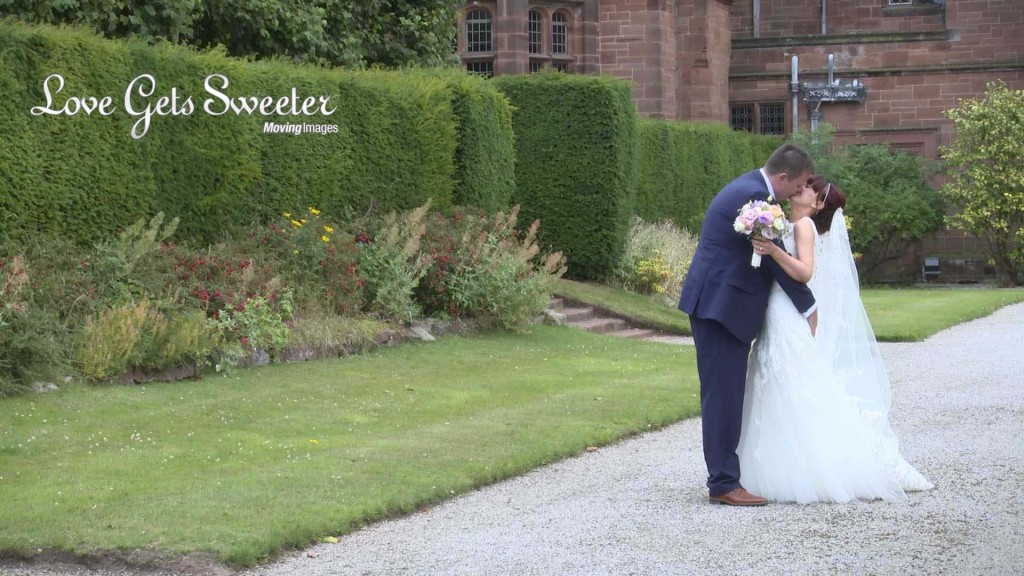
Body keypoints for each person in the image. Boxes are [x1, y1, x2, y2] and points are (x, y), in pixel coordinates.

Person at [739, 177, 933, 503]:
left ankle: (802, 469)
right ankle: (779, 465)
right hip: (779, 305)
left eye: (808, 188)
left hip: (786, 309)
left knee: (788, 378)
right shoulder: (789, 223)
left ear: (817, 204)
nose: (801, 187)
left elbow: (805, 272)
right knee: (779, 379)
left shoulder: (804, 226)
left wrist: (772, 250)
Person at [679, 143, 818, 506]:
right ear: (783, 177)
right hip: (719, 307)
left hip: (720, 305)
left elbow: (769, 254)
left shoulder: (751, 189)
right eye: (798, 185)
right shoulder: (755, 199)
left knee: (725, 395)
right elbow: (773, 258)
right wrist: (808, 305)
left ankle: (726, 477)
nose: (797, 193)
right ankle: (724, 483)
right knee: (722, 397)